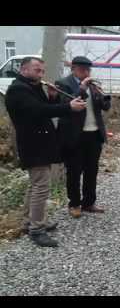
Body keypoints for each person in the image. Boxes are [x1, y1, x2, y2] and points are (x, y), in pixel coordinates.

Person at [5, 57, 86, 247]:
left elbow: (45, 107)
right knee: (41, 187)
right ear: (24, 70)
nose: (41, 74)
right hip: (34, 146)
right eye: (37, 70)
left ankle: (29, 221)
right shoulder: (18, 90)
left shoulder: (31, 87)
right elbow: (39, 111)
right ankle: (36, 229)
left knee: (35, 185)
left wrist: (51, 96)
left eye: (42, 70)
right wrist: (69, 107)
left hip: (41, 144)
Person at [55, 56, 111, 218]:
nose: (86, 72)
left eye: (88, 70)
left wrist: (104, 96)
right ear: (73, 69)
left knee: (91, 171)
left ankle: (89, 203)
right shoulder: (63, 83)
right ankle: (74, 204)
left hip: (94, 134)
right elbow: (65, 103)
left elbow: (105, 107)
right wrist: (82, 87)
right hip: (74, 136)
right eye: (82, 69)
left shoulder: (93, 85)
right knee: (74, 172)